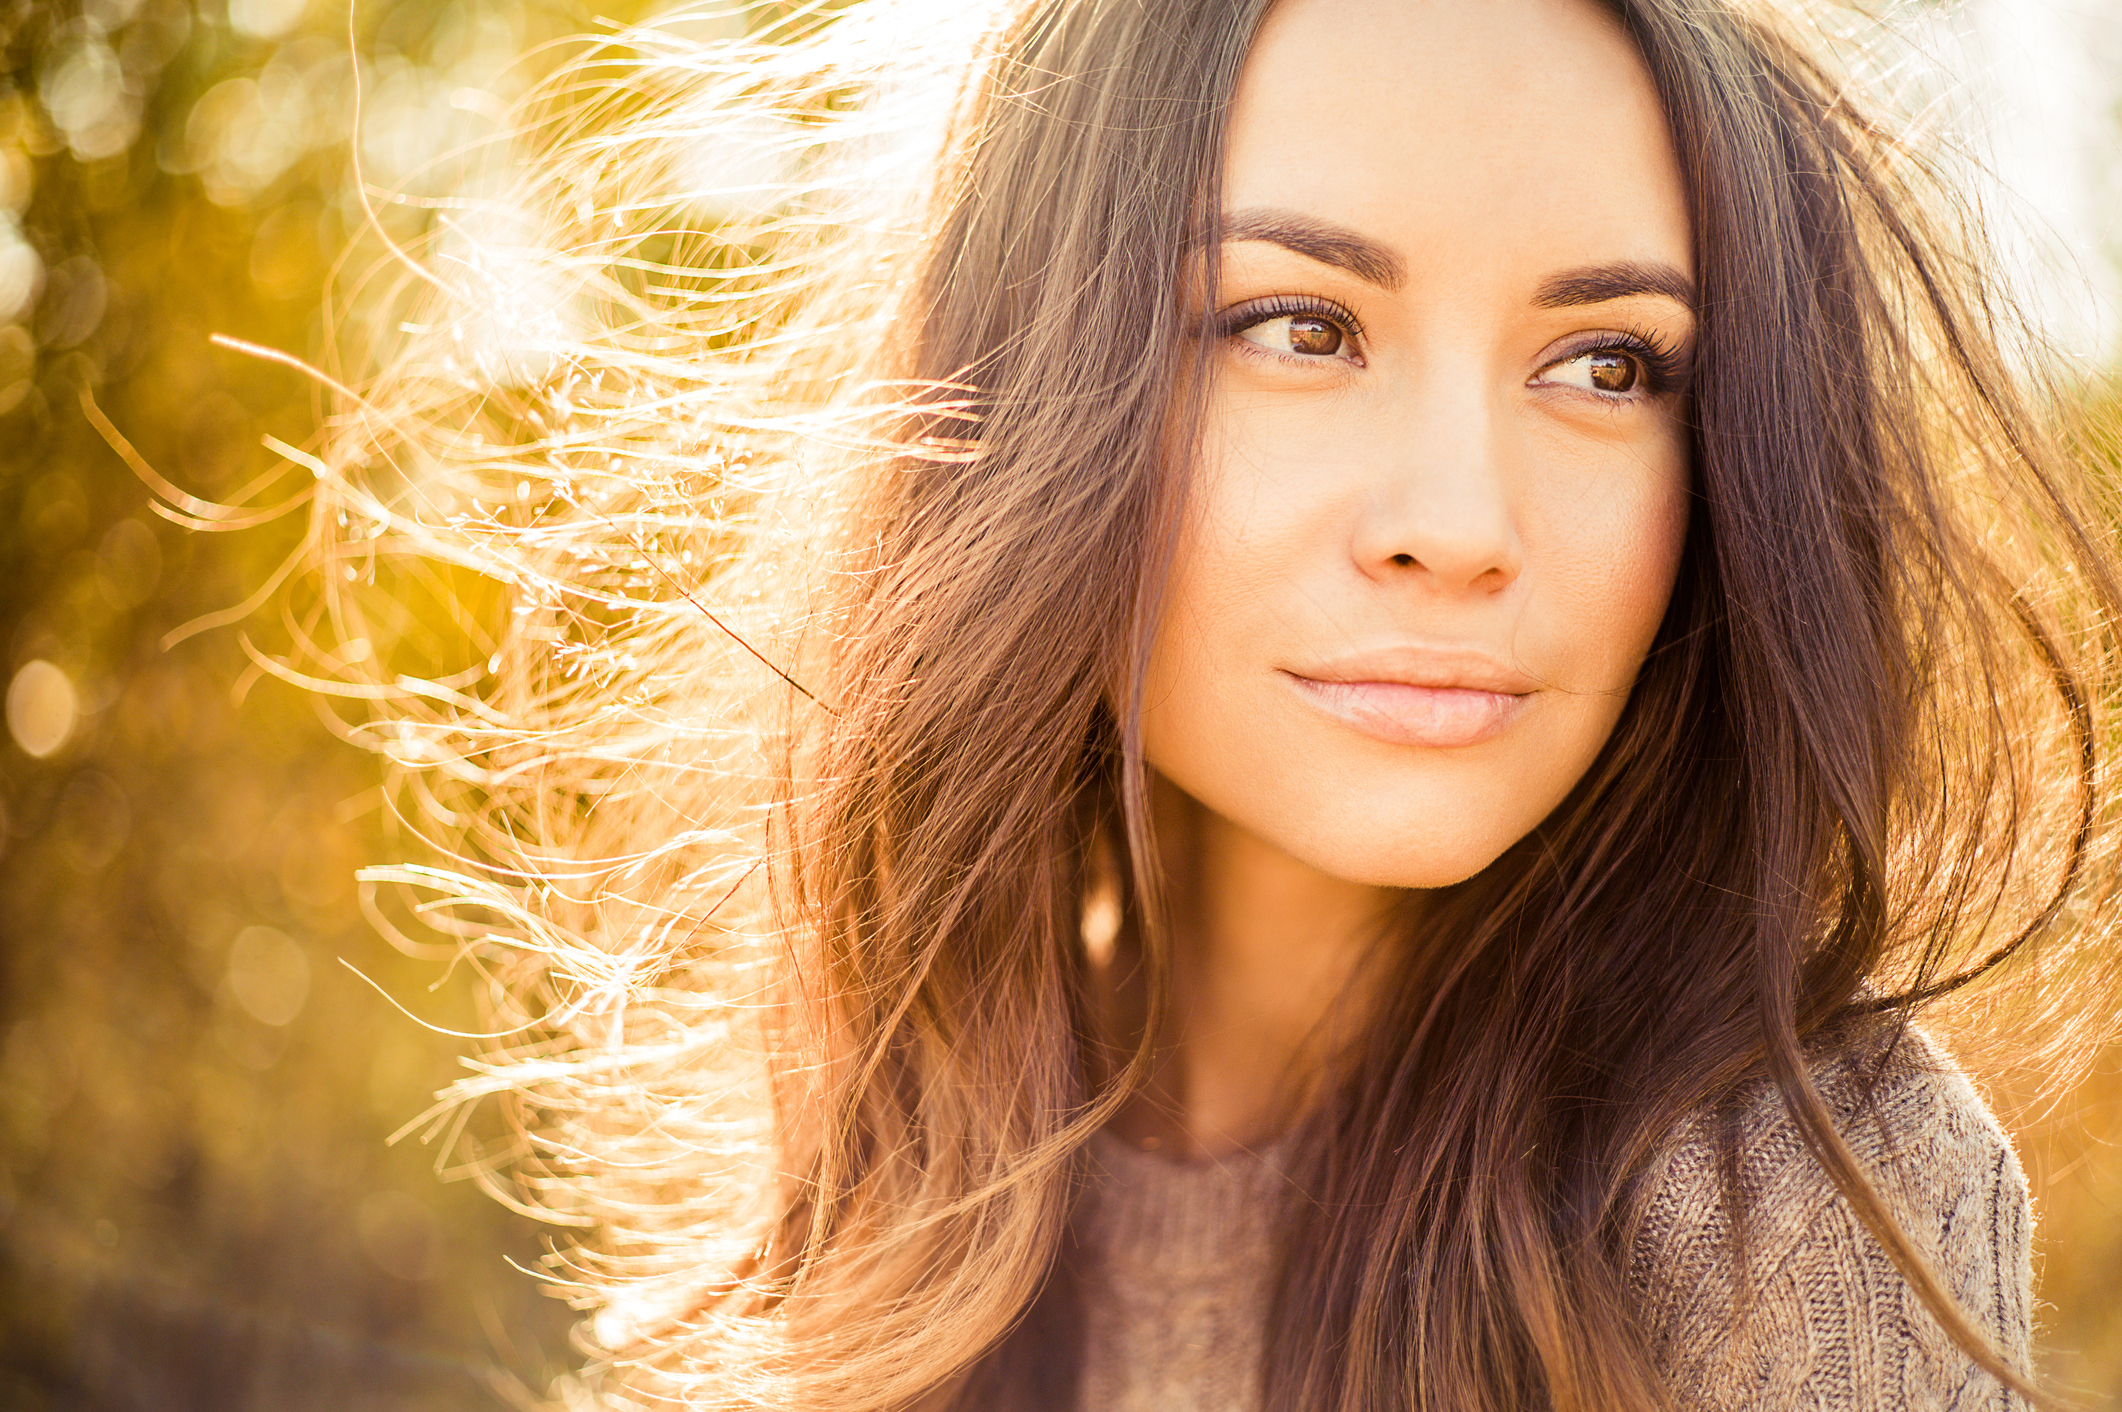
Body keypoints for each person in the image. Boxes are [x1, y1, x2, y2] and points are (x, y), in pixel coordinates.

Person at [289, 0, 2122, 1407]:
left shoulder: (1784, 1197)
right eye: (1298, 326)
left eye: (1606, 360)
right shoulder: (905, 1154)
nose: (1454, 527)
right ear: (1032, 377)